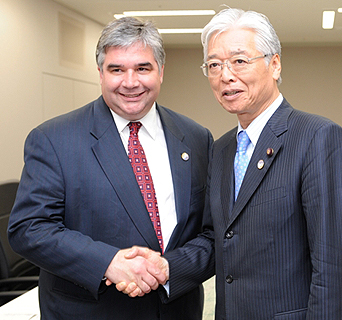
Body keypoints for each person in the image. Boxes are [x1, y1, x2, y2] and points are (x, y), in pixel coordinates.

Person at [122, 8, 342, 319]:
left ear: (274, 64)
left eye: (239, 61)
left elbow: (335, 270)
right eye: (214, 64)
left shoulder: (318, 138)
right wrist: (166, 267)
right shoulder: (221, 149)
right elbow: (220, 240)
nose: (225, 75)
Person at [8, 16, 213, 319]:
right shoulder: (53, 139)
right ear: (101, 74)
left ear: (161, 72)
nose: (130, 82)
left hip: (177, 310)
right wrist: (108, 262)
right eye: (117, 69)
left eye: (143, 68)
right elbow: (29, 228)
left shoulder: (196, 138)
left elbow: (212, 233)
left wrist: (171, 269)